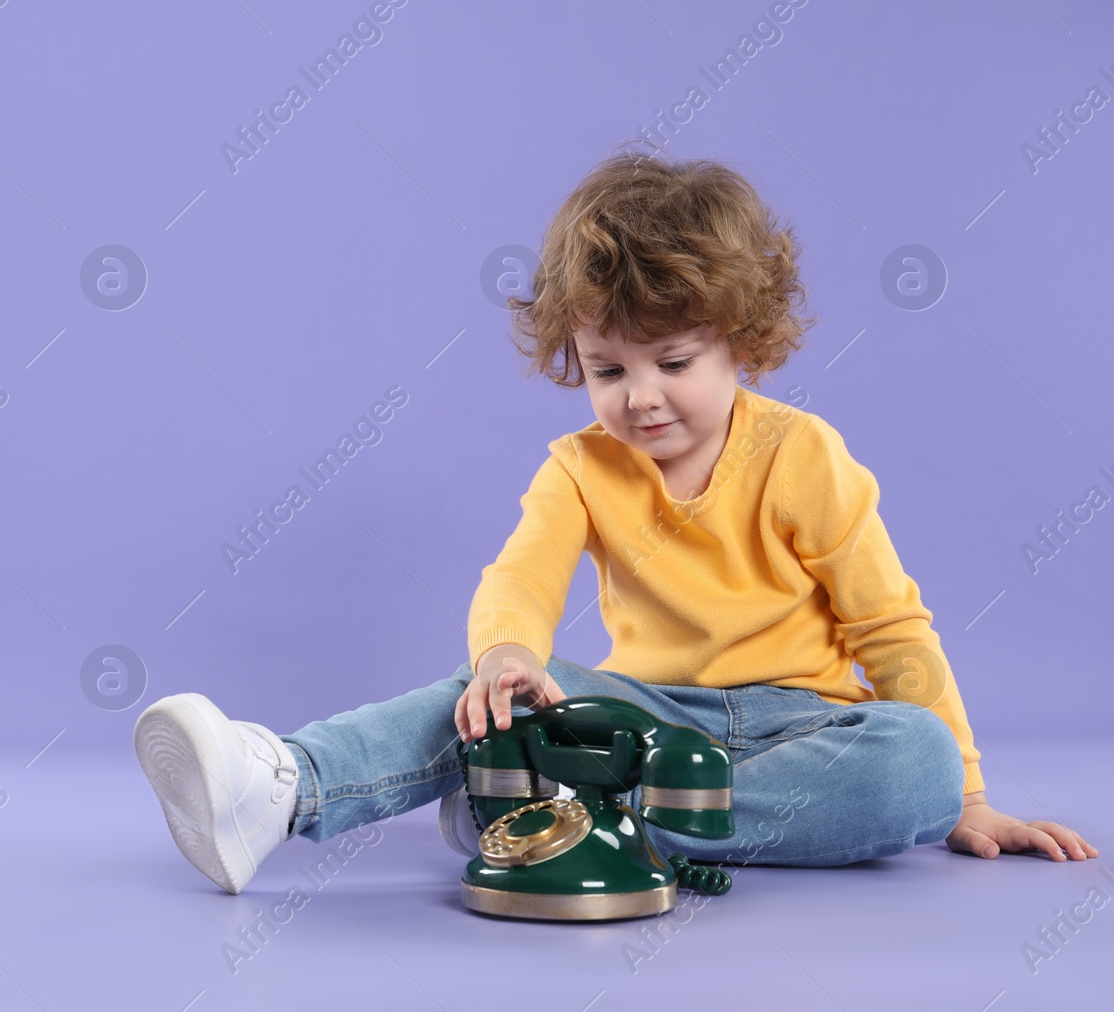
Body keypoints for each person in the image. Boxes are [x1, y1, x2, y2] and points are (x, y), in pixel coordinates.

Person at [132, 150, 1098, 895]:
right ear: (577, 362)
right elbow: (522, 575)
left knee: (914, 766)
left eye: (673, 362)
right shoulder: (580, 467)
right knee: (487, 691)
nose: (641, 398)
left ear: (742, 343)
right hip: (645, 715)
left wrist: (968, 796)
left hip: (806, 722)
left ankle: (540, 809)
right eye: (609, 370)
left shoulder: (804, 455)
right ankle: (284, 785)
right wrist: (511, 653)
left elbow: (892, 627)